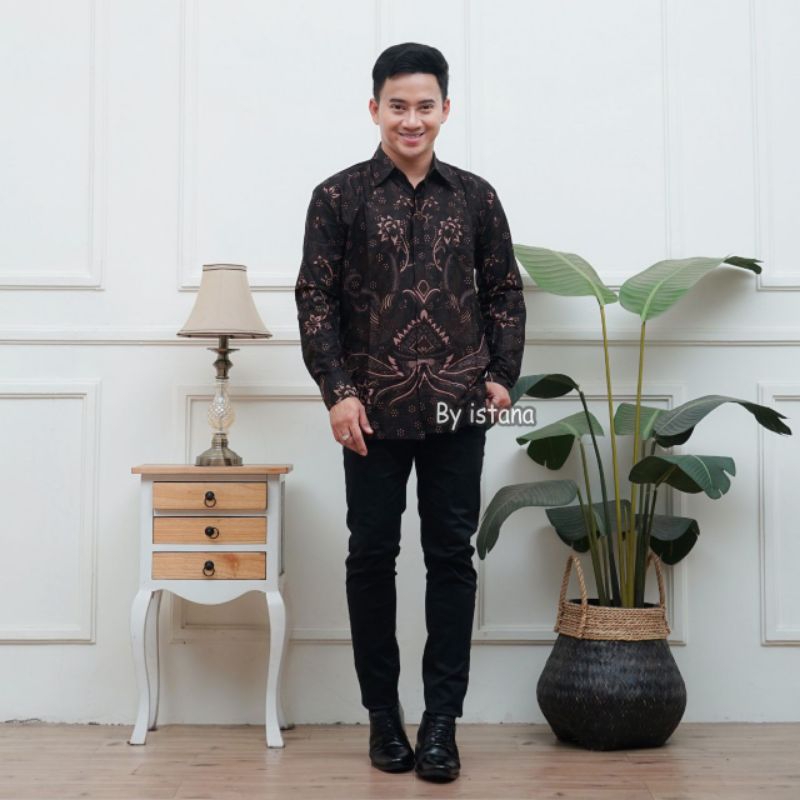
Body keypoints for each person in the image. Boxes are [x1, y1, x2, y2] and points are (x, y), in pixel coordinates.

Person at [295, 42, 526, 783]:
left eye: (425, 105)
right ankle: (382, 717)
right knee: (371, 557)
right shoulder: (337, 197)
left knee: (451, 558)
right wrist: (338, 391)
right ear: (375, 109)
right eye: (398, 105)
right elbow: (314, 298)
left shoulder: (477, 198)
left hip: (459, 408)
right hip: (370, 411)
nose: (412, 119)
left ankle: (441, 723)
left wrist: (501, 376)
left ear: (445, 110)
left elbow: (504, 291)